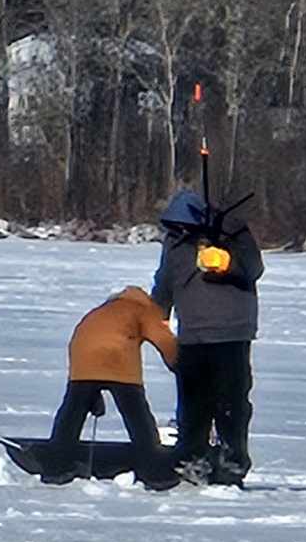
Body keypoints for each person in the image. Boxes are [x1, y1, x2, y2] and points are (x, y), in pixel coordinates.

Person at [151, 188, 264, 484]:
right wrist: (152, 317)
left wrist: (227, 264)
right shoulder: (174, 243)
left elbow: (253, 268)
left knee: (231, 403)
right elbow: (164, 281)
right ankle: (192, 461)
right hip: (192, 337)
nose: (180, 231)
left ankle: (232, 463)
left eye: (184, 225)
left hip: (231, 334)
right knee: (192, 406)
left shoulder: (232, 232)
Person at [39, 285, 179, 489]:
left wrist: (91, 392)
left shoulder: (102, 310)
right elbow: (164, 340)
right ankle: (155, 473)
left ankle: (56, 467)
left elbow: (85, 338)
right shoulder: (145, 309)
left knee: (72, 414)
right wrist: (181, 365)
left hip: (83, 359)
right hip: (117, 359)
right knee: (138, 418)